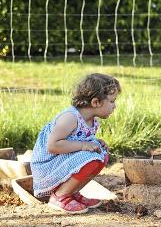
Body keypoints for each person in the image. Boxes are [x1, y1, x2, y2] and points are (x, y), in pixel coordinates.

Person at [30, 73, 121, 214]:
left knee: (102, 156)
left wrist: (95, 142)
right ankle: (60, 196)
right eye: (112, 101)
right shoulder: (70, 118)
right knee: (91, 159)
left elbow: (77, 140)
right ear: (95, 102)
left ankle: (72, 192)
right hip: (47, 165)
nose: (114, 106)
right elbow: (52, 146)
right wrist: (84, 146)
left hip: (61, 163)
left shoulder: (92, 121)